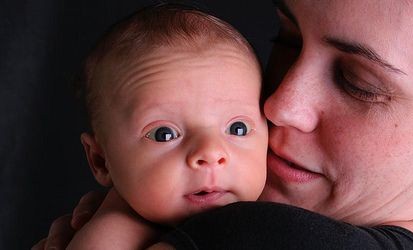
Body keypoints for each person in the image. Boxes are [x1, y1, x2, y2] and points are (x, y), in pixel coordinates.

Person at [35, 0, 413, 249]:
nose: (278, 105)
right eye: (287, 39)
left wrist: (117, 215)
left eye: (358, 82)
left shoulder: (260, 235)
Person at [59, 4, 268, 249]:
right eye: (164, 134)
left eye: (238, 128)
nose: (211, 153)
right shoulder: (109, 240)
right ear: (101, 160)